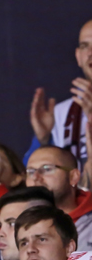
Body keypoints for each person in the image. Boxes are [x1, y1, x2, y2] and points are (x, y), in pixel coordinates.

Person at [28, 19, 92, 170]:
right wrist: (44, 140)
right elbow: (34, 172)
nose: (90, 53)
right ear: (78, 57)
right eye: (84, 46)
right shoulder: (61, 113)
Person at [26, 146, 92, 249]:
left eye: (47, 169)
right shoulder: (16, 221)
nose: (35, 177)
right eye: (30, 171)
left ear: (73, 177)